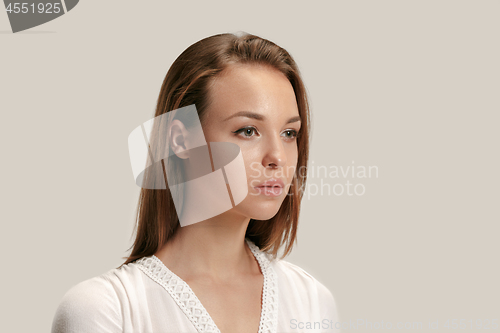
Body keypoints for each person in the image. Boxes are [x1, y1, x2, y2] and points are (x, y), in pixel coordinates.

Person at [51, 32, 340, 333]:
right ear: (181, 140)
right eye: (248, 130)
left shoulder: (312, 302)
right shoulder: (105, 310)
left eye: (289, 133)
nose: (278, 157)